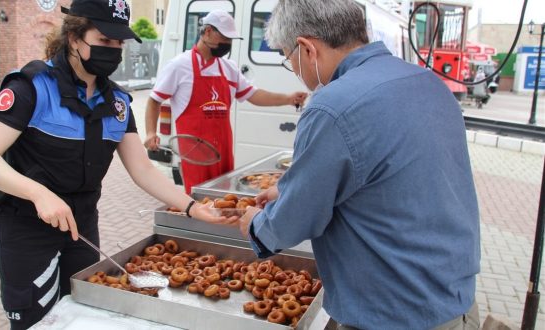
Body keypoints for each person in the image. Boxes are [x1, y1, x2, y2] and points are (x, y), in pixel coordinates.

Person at [205, 0, 481, 328]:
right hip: (455, 298)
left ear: (307, 49)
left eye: (287, 58)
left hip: (393, 311)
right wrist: (289, 188)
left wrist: (255, 222)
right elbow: (389, 176)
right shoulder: (428, 82)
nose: (293, 69)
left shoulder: (331, 105)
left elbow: (289, 225)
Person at [0, 0, 223, 328]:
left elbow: (142, 169)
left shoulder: (117, 103)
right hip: (27, 229)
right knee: (36, 319)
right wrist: (38, 193)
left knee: (84, 314)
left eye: (119, 43)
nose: (114, 49)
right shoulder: (32, 87)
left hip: (82, 227)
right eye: (104, 40)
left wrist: (191, 207)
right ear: (74, 37)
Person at [143, 9, 307, 194]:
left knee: (223, 197)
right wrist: (150, 132)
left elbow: (253, 95)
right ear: (207, 32)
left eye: (230, 39)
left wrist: (288, 98)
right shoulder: (179, 66)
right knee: (200, 200)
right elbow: (154, 100)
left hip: (223, 151)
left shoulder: (228, 68)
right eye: (225, 37)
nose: (228, 43)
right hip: (194, 154)